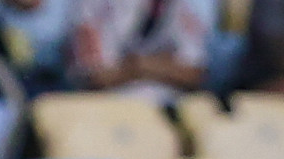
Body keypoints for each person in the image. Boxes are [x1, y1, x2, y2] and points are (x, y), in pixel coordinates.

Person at [68, 0, 215, 100]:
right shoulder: (93, 5)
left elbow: (194, 74)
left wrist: (138, 65)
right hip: (108, 108)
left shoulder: (182, 5)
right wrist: (161, 65)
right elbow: (98, 78)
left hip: (167, 107)